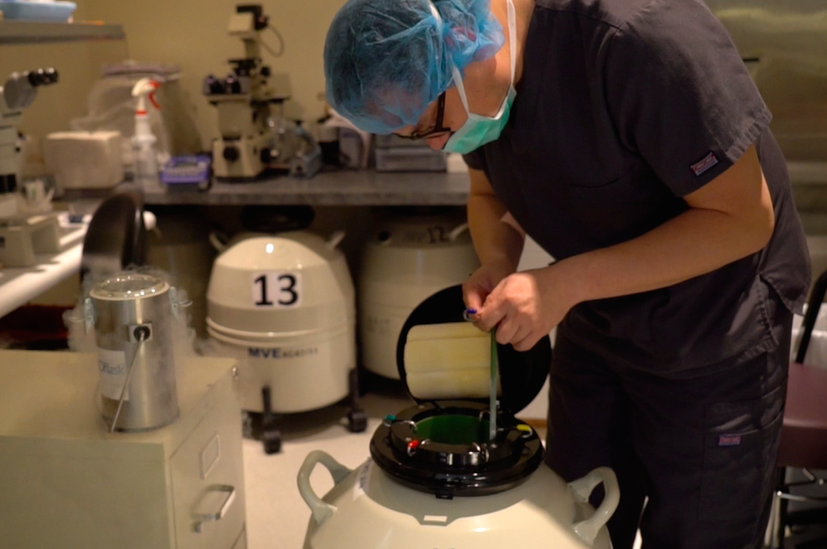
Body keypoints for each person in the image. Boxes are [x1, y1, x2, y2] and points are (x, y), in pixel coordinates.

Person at [324, 0, 811, 547]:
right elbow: (489, 194)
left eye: (431, 124)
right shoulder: (483, 91)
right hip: (596, 317)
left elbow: (744, 220)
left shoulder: (640, 40)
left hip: (715, 323)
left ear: (466, 39)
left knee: (698, 530)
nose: (437, 145)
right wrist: (497, 262)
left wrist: (567, 283)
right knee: (574, 517)